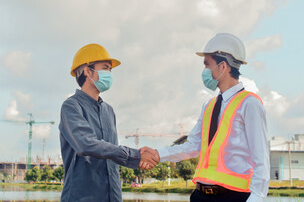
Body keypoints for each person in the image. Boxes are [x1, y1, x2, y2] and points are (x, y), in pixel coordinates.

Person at [141, 33, 270, 202]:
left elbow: (261, 159)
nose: (205, 71)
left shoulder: (249, 104)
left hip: (233, 197)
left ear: (223, 66)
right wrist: (158, 154)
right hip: (201, 196)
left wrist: (257, 198)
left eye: (207, 65)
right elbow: (193, 146)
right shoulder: (209, 106)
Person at [59, 43, 159, 202]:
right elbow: (86, 144)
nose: (109, 73)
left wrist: (140, 158)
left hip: (112, 196)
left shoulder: (108, 110)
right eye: (105, 68)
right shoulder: (71, 106)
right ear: (87, 71)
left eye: (110, 70)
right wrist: (135, 156)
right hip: (82, 197)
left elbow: (112, 153)